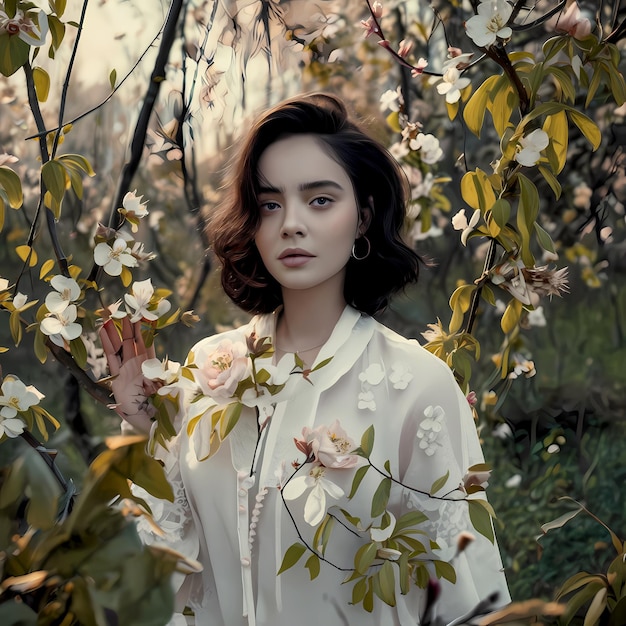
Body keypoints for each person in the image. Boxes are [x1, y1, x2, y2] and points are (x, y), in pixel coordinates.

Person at [100, 93, 510, 626]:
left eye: (319, 200)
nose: (290, 223)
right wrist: (145, 431)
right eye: (270, 204)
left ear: (362, 217)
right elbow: (160, 568)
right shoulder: (209, 369)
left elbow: (465, 591)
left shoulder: (418, 386)